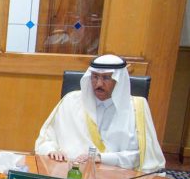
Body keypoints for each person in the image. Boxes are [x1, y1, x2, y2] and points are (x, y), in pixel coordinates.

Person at [35, 54, 165, 172]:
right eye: (95, 77)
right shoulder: (71, 101)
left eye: (106, 78)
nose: (98, 84)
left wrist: (102, 158)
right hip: (69, 172)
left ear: (119, 80)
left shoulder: (137, 108)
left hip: (116, 177)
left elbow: (142, 156)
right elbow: (46, 139)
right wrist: (52, 150)